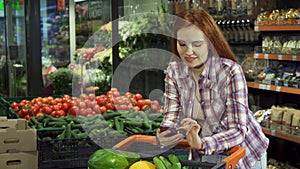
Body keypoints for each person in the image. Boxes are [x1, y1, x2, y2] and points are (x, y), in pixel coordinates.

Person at [156, 8, 269, 169]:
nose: (188, 52)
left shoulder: (229, 71)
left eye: (197, 44)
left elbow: (237, 131)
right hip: (206, 155)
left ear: (210, 42)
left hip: (244, 153)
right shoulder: (174, 71)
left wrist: (202, 143)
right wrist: (165, 133)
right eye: (182, 44)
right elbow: (170, 117)